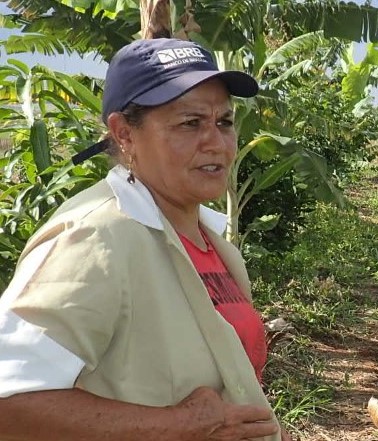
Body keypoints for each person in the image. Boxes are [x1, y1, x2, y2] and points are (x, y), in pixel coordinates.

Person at [0, 38, 291, 441]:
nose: (216, 142)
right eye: (190, 123)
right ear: (124, 134)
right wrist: (178, 426)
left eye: (224, 122)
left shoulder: (205, 236)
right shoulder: (94, 238)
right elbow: (9, 400)